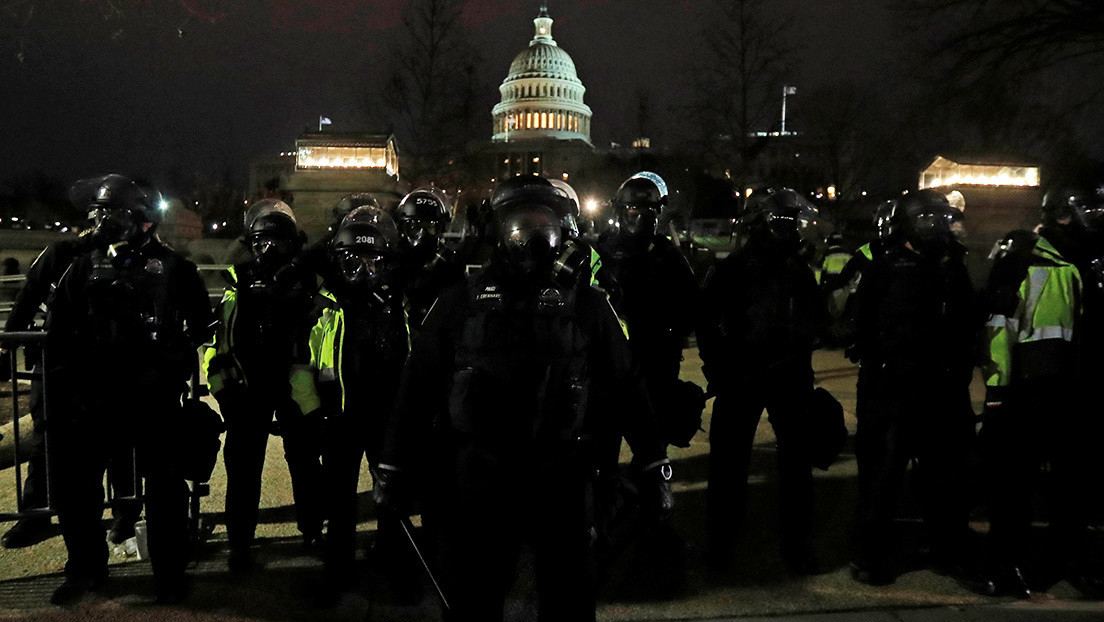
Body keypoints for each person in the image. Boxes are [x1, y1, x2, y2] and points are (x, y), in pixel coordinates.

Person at [374, 178, 672, 621]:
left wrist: (652, 462)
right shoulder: (461, 302)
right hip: (481, 476)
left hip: (562, 476)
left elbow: (627, 385)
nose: (532, 241)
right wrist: (394, 467)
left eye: (543, 228)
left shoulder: (588, 305)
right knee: (475, 597)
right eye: (520, 227)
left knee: (569, 598)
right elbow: (416, 387)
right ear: (498, 232)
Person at [45, 174, 213, 604]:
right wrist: (66, 390)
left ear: (143, 222)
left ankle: (169, 573)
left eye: (112, 215)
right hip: (93, 399)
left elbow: (200, 327)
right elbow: (59, 332)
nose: (101, 223)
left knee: (166, 490)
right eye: (98, 214)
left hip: (154, 399)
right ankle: (85, 568)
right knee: (77, 487)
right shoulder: (82, 266)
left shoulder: (176, 269)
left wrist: (171, 364)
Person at [847, 189, 985, 589]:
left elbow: (968, 320)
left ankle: (949, 551)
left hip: (942, 389)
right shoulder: (885, 264)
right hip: (892, 389)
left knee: (946, 479)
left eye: (941, 220)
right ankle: (870, 554)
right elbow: (854, 322)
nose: (936, 228)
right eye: (926, 220)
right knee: (882, 478)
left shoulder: (951, 265)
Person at [980, 181, 1104, 598]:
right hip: (1030, 396)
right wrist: (997, 395)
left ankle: (1069, 559)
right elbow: (998, 330)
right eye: (1090, 210)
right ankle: (1007, 564)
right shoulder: (1023, 260)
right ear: (1063, 215)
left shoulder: (1089, 261)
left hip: (1079, 395)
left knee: (1075, 488)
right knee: (1014, 485)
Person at [287, 207, 414, 605]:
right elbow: (300, 366)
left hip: (386, 417)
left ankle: (393, 565)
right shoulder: (321, 306)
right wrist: (313, 415)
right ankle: (337, 571)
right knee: (339, 501)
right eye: (350, 262)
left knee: (392, 498)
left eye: (371, 261)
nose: (362, 271)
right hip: (338, 417)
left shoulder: (397, 306)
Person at [698, 186, 826, 574]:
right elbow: (706, 321)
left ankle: (795, 542)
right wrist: (718, 367)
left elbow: (816, 318)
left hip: (789, 375)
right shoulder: (732, 267)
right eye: (781, 223)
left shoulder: (798, 269)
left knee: (796, 466)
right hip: (743, 375)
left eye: (792, 223)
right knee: (729, 467)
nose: (789, 230)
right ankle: (721, 545)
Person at [203, 199, 323, 573]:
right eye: (260, 242)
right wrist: (225, 391)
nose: (267, 249)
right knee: (242, 467)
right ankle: (240, 542)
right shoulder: (238, 281)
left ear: (292, 242)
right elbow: (220, 342)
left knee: (305, 464)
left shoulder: (310, 281)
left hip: (296, 387)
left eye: (275, 241)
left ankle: (313, 531)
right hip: (249, 388)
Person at [597, 172, 700, 448]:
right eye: (633, 208)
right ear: (620, 211)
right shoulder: (601, 251)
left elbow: (693, 305)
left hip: (657, 363)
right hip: (609, 364)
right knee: (602, 452)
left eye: (650, 210)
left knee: (652, 453)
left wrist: (669, 329)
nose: (642, 217)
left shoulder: (667, 255)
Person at [393, 187, 465, 332]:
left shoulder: (449, 269)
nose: (422, 234)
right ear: (401, 229)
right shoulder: (391, 265)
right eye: (414, 227)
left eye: (430, 226)